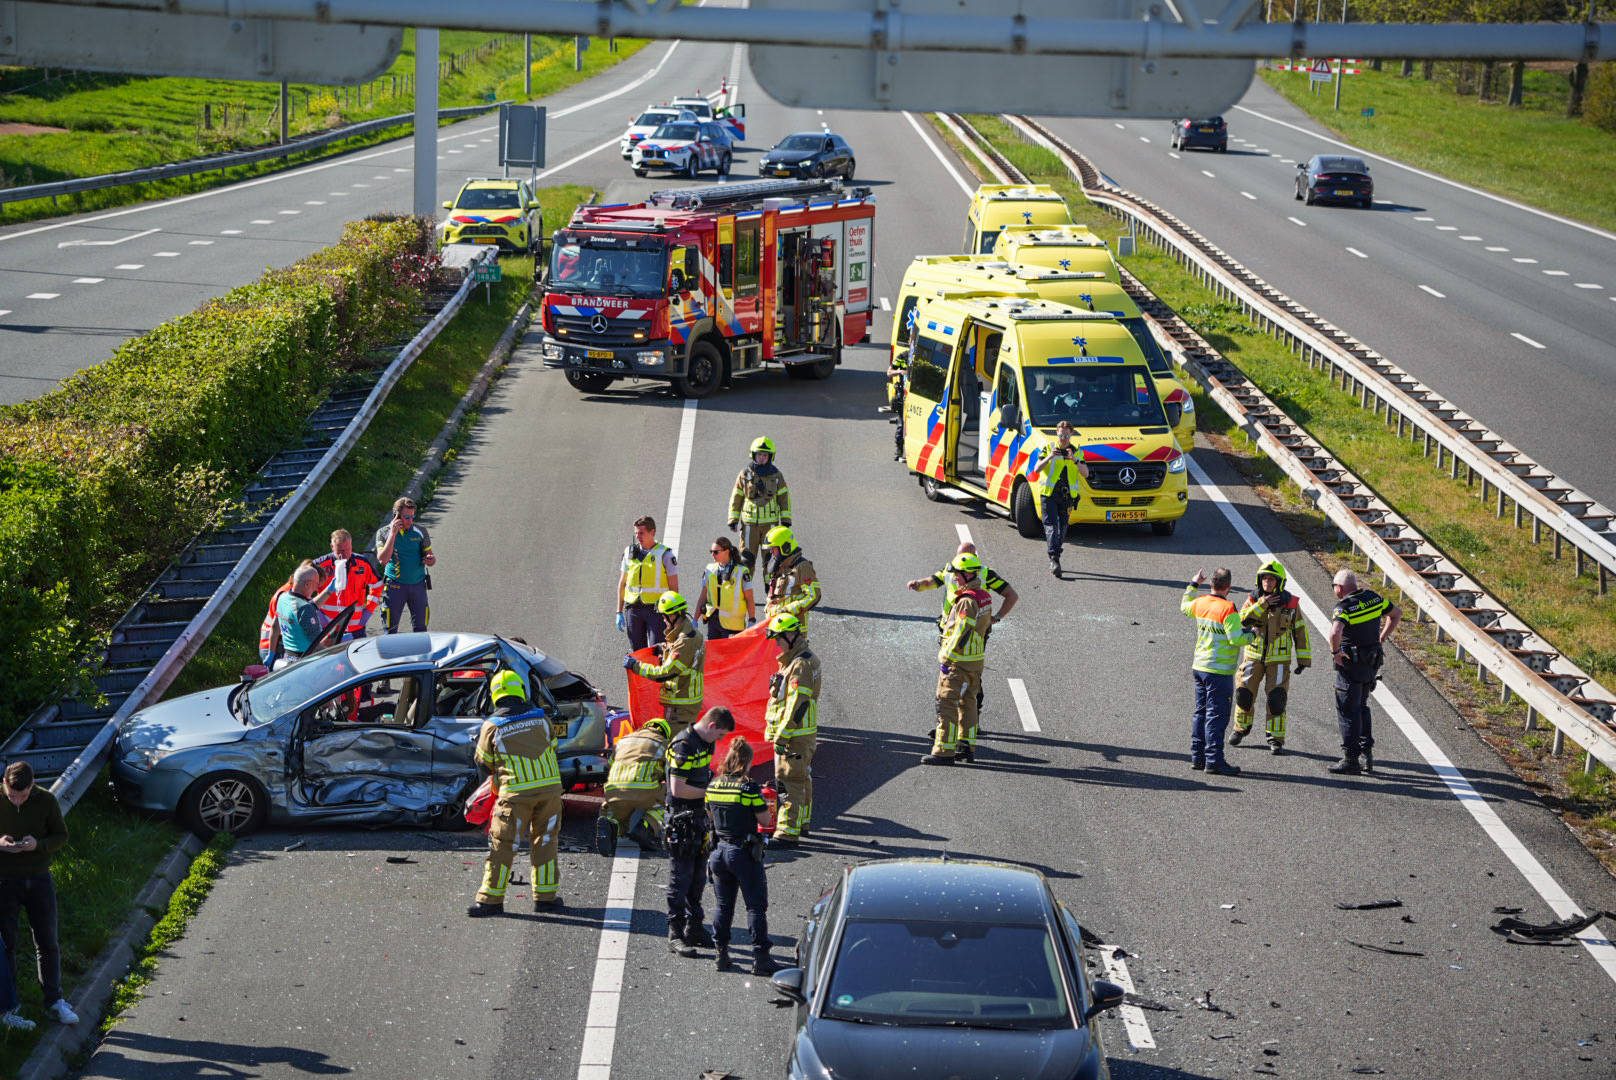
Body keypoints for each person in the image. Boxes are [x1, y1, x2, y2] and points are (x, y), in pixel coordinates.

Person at [467, 670, 563, 917]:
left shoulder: (491, 727)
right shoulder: (542, 719)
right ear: (521, 690)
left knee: (503, 845)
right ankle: (546, 898)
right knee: (546, 841)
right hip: (550, 791)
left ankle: (491, 901)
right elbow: (553, 747)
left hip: (515, 794)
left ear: (495, 695)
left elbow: (483, 762)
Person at [0, 762, 75, 1026]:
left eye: (22, 795)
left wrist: (38, 845)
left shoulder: (47, 800)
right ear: (5, 783)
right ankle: (9, 1007)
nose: (17, 799)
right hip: (5, 881)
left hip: (39, 879)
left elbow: (61, 836)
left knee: (47, 942)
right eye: (11, 795)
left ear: (32, 786)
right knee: (7, 945)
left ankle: (54, 1001)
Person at [665, 707, 735, 957]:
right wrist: (712, 793)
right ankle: (675, 933)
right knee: (680, 878)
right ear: (712, 725)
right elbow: (678, 790)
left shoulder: (705, 745)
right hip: (681, 819)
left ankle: (694, 927)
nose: (720, 741)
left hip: (699, 819)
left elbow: (704, 776)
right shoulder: (684, 745)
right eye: (720, 735)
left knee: (697, 878)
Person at [704, 739, 778, 975]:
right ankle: (761, 959)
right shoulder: (748, 788)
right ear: (746, 762)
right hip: (743, 853)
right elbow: (765, 821)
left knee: (723, 906)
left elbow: (710, 815)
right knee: (755, 907)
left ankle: (721, 955)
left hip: (718, 853)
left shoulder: (713, 785)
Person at [1230, 560, 1311, 755]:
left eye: (1271, 578)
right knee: (1243, 695)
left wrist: (1303, 660)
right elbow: (1243, 619)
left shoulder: (1291, 604)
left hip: (1279, 660)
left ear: (1279, 582)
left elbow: (1300, 631)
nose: (1267, 582)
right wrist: (1262, 604)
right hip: (1252, 657)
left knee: (1277, 699)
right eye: (1264, 578)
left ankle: (1275, 738)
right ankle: (1241, 729)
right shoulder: (1252, 599)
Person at [1328, 569, 1402, 776]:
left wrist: (1335, 653)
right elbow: (1396, 614)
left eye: (1334, 586)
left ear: (1339, 588)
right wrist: (1382, 637)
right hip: (1371, 664)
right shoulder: (1373, 598)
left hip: (1351, 665)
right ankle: (1366, 755)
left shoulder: (1344, 607)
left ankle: (1351, 759)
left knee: (1347, 709)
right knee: (1362, 706)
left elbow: (1335, 632)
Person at [1181, 567, 1254, 776]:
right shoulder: (1228, 609)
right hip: (1219, 672)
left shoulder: (1201, 602)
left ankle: (1198, 757)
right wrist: (1253, 635)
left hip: (1200, 667)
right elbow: (1236, 639)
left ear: (1211, 584)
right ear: (1228, 588)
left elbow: (1184, 606)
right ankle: (1214, 760)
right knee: (1217, 716)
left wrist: (1193, 584)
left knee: (1200, 712)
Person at [762, 614, 821, 847]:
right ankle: (802, 821)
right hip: (802, 733)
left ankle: (787, 831)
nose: (776, 644)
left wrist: (783, 734)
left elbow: (797, 703)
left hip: (794, 735)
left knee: (788, 780)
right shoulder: (801, 659)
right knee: (802, 776)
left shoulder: (800, 665)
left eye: (778, 639)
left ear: (790, 635)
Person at [923, 589, 992, 766]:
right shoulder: (983, 596)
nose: (955, 578)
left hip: (958, 662)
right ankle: (966, 747)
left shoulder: (966, 601)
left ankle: (944, 752)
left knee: (946, 704)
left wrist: (948, 658)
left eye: (957, 574)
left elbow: (961, 632)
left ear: (965, 573)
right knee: (968, 702)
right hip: (975, 660)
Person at [624, 592, 705, 736]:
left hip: (681, 706)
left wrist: (636, 665)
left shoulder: (685, 641)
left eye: (664, 616)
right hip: (684, 703)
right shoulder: (690, 633)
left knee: (673, 747)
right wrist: (664, 648)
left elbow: (664, 673)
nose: (663, 620)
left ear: (674, 615)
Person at [596, 718, 672, 857]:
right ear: (664, 732)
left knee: (618, 816)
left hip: (614, 790)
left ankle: (611, 825)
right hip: (644, 791)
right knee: (669, 799)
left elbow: (611, 763)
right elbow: (671, 772)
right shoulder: (663, 743)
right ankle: (646, 827)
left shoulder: (623, 741)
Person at [907, 543, 1019, 635]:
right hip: (949, 626)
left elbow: (1012, 596)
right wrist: (918, 584)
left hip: (973, 631)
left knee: (966, 660)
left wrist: (996, 618)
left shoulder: (986, 574)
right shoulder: (949, 570)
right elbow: (929, 582)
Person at [728, 437, 792, 577]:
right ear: (753, 455)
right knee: (746, 560)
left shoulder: (777, 475)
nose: (762, 458)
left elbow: (783, 496)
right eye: (759, 455)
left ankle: (770, 592)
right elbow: (737, 496)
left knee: (771, 562)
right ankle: (745, 592)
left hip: (771, 527)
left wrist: (785, 519)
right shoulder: (745, 474)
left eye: (765, 455)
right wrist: (733, 519)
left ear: (770, 457)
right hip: (749, 525)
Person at [616, 515, 680, 651]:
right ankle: (640, 673)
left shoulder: (665, 555)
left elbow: (673, 588)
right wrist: (619, 612)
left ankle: (657, 672)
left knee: (657, 650)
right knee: (637, 652)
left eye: (641, 533)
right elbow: (622, 584)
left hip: (656, 611)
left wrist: (673, 615)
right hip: (633, 609)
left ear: (652, 532)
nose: (638, 536)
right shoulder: (629, 552)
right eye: (636, 533)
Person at [375, 497, 435, 634]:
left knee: (421, 629)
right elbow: (383, 559)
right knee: (390, 630)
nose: (410, 521)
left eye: (413, 517)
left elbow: (431, 558)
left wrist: (430, 559)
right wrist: (393, 534)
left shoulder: (420, 531)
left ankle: (421, 655)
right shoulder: (383, 533)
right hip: (394, 587)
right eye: (407, 517)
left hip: (418, 586)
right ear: (396, 516)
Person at [313, 529, 385, 641]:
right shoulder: (320, 565)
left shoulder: (362, 563)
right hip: (329, 627)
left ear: (351, 545)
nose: (344, 555)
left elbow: (378, 586)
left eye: (348, 549)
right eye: (340, 551)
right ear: (332, 547)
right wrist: (317, 613)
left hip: (356, 626)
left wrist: (368, 610)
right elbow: (302, 588)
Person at [1038, 421, 1088, 575]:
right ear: (1056, 433)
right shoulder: (1048, 448)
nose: (1063, 438)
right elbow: (1036, 468)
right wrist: (1050, 457)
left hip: (1067, 496)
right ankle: (1054, 558)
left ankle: (1056, 552)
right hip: (1049, 494)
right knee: (1051, 525)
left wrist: (1075, 460)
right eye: (1061, 435)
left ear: (1071, 434)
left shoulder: (1077, 452)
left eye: (1066, 435)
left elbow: (1086, 473)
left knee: (1064, 526)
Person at [761, 525, 821, 633]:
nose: (771, 553)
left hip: (792, 631)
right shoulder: (780, 566)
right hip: (776, 626)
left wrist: (787, 610)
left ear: (785, 547)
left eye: (774, 549)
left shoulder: (802, 567)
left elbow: (814, 595)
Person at [274, 563, 334, 669]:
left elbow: (309, 605)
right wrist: (334, 656)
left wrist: (329, 590)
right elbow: (316, 645)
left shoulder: (283, 598)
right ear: (307, 584)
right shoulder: (304, 609)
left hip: (288, 657)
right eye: (316, 584)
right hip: (305, 662)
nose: (316, 589)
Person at [698, 537, 755, 640]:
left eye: (716, 552)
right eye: (711, 551)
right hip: (713, 622)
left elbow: (749, 599)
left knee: (731, 655)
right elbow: (703, 596)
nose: (712, 555)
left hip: (733, 626)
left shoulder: (741, 572)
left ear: (726, 551)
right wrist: (694, 619)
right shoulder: (710, 569)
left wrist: (752, 620)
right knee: (714, 654)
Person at [258, 563, 308, 664]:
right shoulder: (286, 596)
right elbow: (277, 626)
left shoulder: (292, 592)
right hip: (272, 646)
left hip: (275, 643)